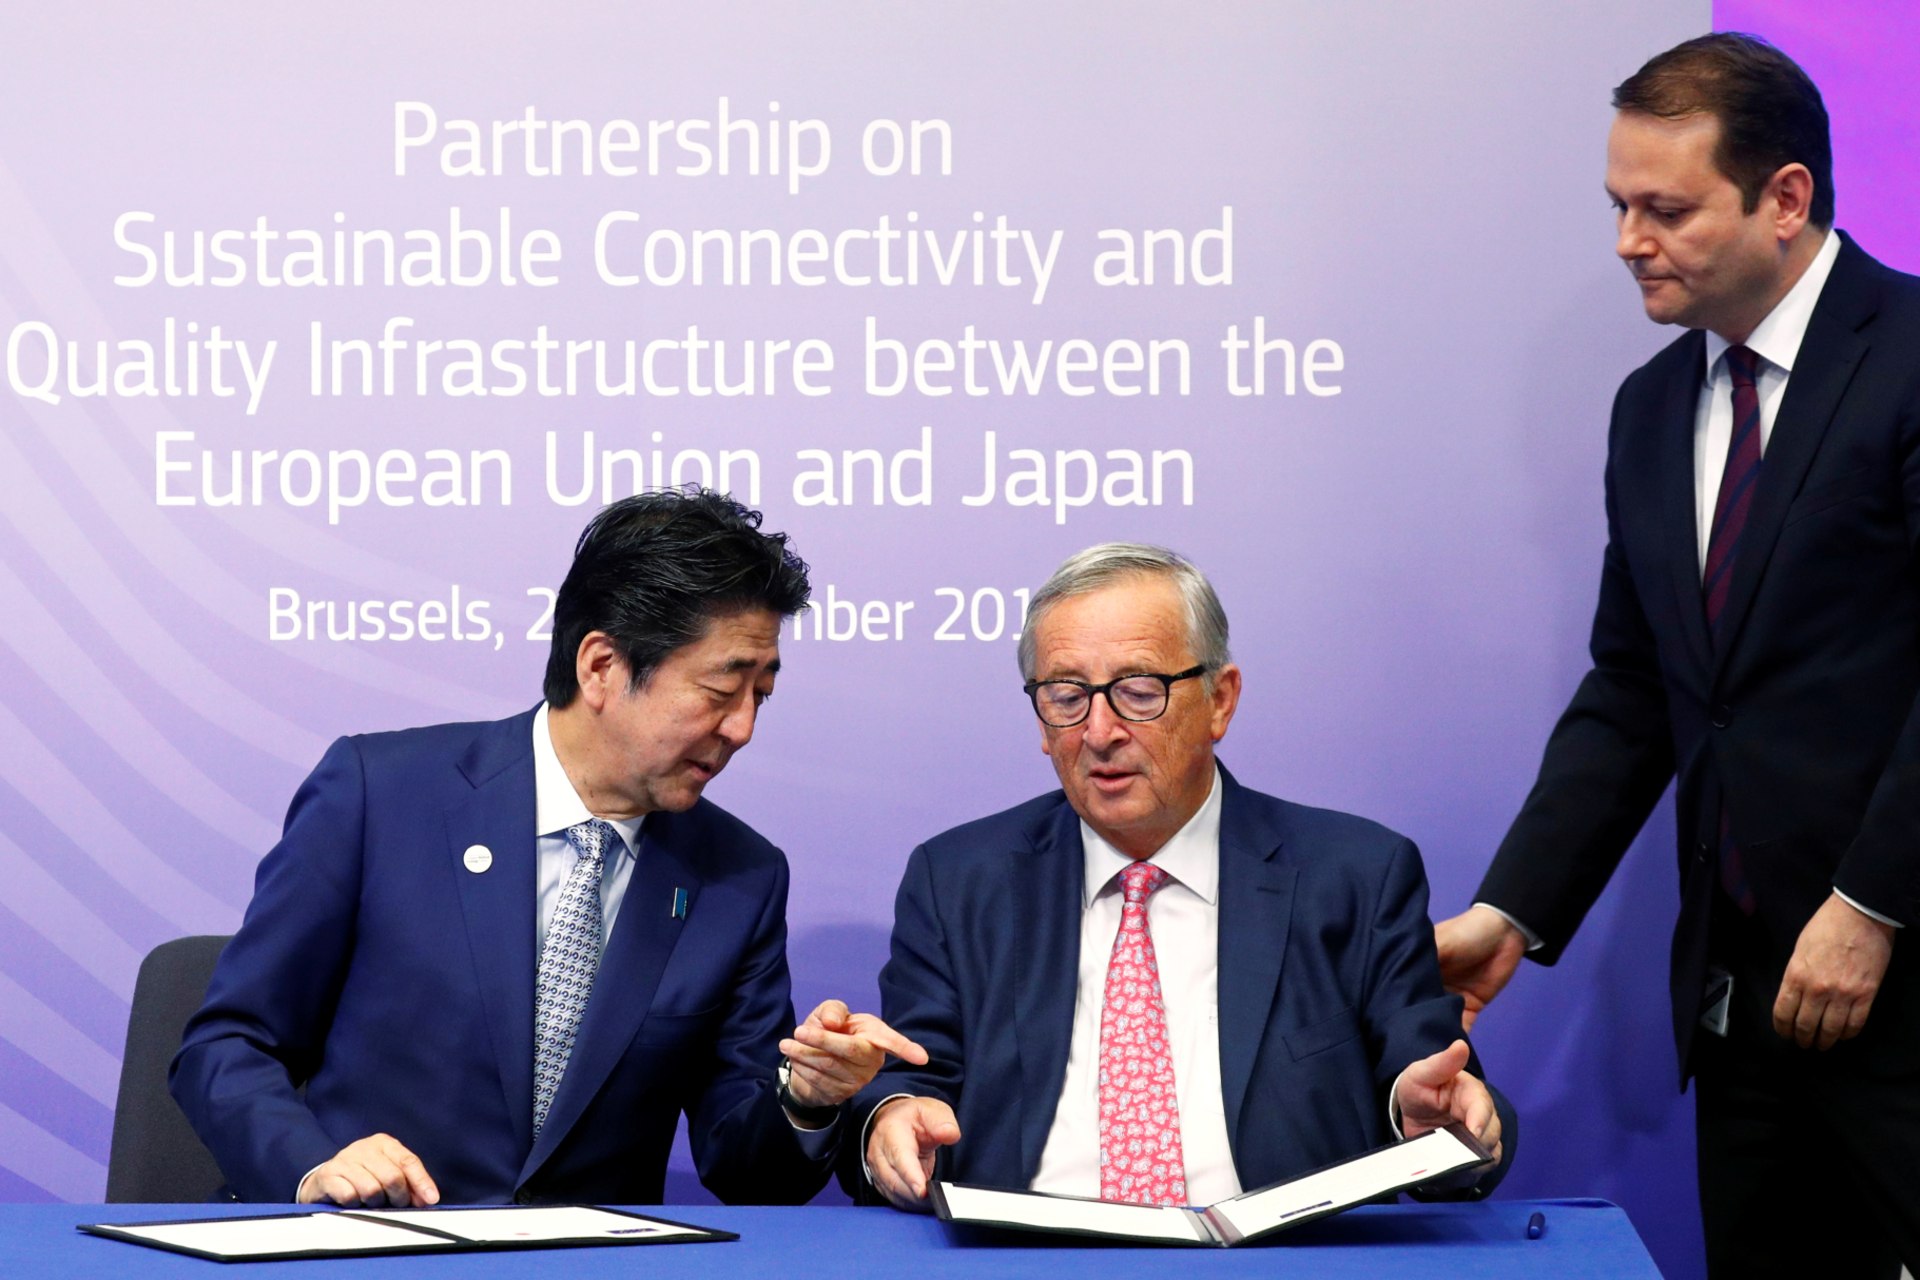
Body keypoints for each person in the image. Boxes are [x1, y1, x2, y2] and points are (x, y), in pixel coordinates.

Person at [1433, 33, 1920, 1278]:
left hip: (1903, 979)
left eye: (1665, 208)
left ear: (1787, 198)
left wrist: (1873, 903)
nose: (1626, 241)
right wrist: (1513, 908)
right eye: (1617, 206)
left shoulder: (1911, 356)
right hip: (1740, 1004)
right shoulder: (1651, 407)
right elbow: (1637, 684)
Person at [172, 489, 922, 1206]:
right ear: (602, 666)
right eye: (721, 692)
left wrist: (809, 1097)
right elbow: (229, 1045)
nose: (742, 730)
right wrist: (314, 1167)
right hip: (369, 1251)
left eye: (762, 695)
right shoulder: (380, 796)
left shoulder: (739, 877)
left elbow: (746, 1169)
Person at [855, 544, 1512, 1210]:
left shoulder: (1356, 875)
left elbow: (1434, 1085)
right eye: (1067, 696)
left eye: (1139, 692)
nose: (1100, 731)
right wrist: (895, 1117)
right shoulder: (959, 879)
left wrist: (1429, 1121)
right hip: (1031, 1261)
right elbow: (914, 1075)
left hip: (1279, 1266)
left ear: (1219, 701)